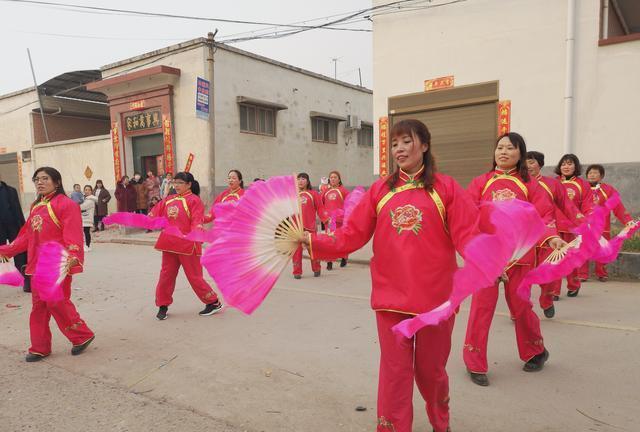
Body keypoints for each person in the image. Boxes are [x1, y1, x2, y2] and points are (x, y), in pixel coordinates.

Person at [304, 119, 479, 432]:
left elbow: (468, 234)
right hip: (390, 297)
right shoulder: (380, 191)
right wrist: (310, 240)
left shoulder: (446, 188)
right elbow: (350, 235)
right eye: (394, 143)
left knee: (431, 372)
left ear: (424, 145)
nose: (399, 149)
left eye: (406, 141)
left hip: (436, 299)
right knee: (395, 372)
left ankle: (441, 421)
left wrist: (487, 261)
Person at [463, 133, 563, 387]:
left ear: (521, 154)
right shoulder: (480, 182)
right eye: (499, 147)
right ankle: (474, 362)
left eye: (510, 147)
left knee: (520, 307)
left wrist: (551, 238)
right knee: (481, 309)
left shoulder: (531, 186)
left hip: (519, 256)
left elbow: (543, 216)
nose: (503, 152)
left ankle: (536, 351)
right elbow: (466, 216)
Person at [0, 167, 95, 362]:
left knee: (56, 302)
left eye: (45, 178)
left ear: (57, 182)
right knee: (38, 307)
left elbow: (73, 233)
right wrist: (5, 250)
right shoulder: (37, 206)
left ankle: (81, 335)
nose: (40, 182)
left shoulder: (66, 204)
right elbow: (26, 236)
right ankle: (39, 347)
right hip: (37, 264)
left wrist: (73, 255)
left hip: (57, 262)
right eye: (37, 179)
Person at [148, 171, 223, 320]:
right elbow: (154, 214)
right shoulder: (168, 199)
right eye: (175, 182)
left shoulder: (194, 200)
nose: (176, 185)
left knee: (194, 277)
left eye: (180, 183)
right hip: (169, 244)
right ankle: (162, 305)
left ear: (189, 184)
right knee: (166, 275)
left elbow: (197, 220)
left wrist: (197, 234)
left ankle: (213, 302)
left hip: (188, 245)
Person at [526, 151, 584, 318]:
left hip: (548, 236)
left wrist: (585, 225)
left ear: (540, 164)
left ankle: (547, 300)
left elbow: (569, 207)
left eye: (531, 162)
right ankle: (520, 309)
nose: (527, 166)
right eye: (524, 162)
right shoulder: (516, 184)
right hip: (523, 239)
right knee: (521, 276)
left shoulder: (552, 184)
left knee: (549, 273)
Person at [579, 164, 633, 281]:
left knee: (603, 250)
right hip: (585, 226)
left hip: (602, 226)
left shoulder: (608, 189)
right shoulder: (582, 188)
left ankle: (601, 273)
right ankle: (582, 275)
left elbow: (618, 206)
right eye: (590, 173)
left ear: (601, 175)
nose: (592, 175)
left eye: (595, 172)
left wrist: (627, 221)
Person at [554, 154, 594, 296]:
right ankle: (554, 290)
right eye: (563, 164)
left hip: (573, 226)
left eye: (570, 164)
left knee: (571, 257)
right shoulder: (553, 183)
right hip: (555, 227)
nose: (566, 166)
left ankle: (574, 284)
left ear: (576, 166)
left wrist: (587, 221)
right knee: (556, 257)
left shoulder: (583, 184)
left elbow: (588, 205)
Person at [0, 175, 30, 292]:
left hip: (13, 226)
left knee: (20, 253)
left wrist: (24, 227)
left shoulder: (11, 190)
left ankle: (26, 280)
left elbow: (17, 209)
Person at [293, 172, 325, 279]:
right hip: (296, 229)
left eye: (303, 179)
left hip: (310, 227)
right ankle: (297, 272)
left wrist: (326, 219)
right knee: (296, 252)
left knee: (313, 250)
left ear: (307, 181)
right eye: (299, 179)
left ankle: (317, 268)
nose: (300, 181)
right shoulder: (292, 195)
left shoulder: (313, 194)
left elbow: (320, 208)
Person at [321, 170, 350, 270]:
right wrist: (324, 217)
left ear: (339, 179)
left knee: (341, 240)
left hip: (340, 220)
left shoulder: (343, 191)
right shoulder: (325, 192)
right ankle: (329, 262)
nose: (333, 179)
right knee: (329, 241)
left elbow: (349, 204)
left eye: (335, 177)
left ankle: (344, 258)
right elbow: (321, 206)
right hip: (329, 222)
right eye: (331, 177)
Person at [80, 185, 98, 252]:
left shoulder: (90, 200)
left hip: (87, 218)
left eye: (89, 190)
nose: (87, 191)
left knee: (86, 232)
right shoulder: (86, 198)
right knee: (86, 232)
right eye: (86, 190)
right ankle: (88, 245)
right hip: (84, 218)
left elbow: (82, 207)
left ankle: (87, 246)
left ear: (91, 191)